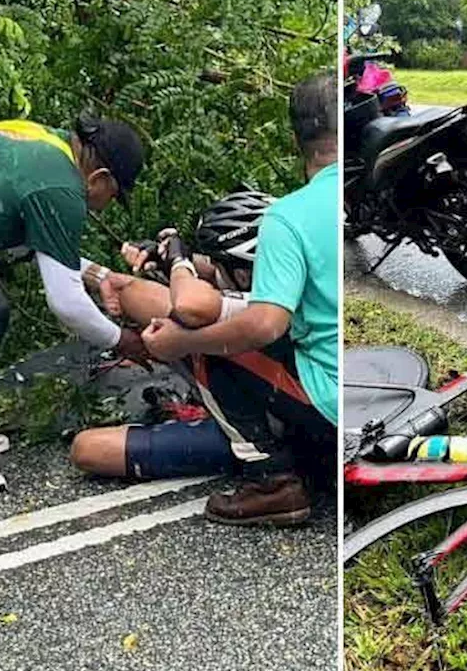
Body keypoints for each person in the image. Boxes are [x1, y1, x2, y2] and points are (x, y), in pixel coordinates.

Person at [141, 74, 337, 526]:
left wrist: (181, 345)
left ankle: (271, 482)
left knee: (208, 341)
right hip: (368, 384)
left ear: (296, 140)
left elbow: (265, 323)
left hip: (332, 398)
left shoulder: (289, 216)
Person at [0, 116, 145, 496]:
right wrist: (122, 339)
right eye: (114, 195)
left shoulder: (46, 145)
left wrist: (102, 277)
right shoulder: (62, 187)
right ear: (101, 177)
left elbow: (37, 244)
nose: (106, 207)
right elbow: (67, 304)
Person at [71, 192, 286, 482]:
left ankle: (269, 475)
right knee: (130, 291)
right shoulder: (287, 282)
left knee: (88, 448)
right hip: (286, 402)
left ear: (243, 276)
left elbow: (191, 306)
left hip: (274, 430)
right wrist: (164, 259)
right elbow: (202, 275)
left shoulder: (259, 311)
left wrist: (178, 260)